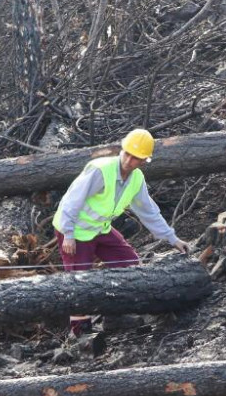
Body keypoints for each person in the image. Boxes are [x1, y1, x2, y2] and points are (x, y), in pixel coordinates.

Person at [52, 129, 193, 336]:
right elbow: (71, 202)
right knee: (79, 282)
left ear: (144, 160)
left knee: (130, 265)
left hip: (101, 229)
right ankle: (80, 335)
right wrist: (69, 234)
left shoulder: (136, 180)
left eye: (135, 158)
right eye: (126, 153)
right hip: (76, 231)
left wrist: (172, 238)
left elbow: (149, 211)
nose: (128, 160)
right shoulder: (100, 170)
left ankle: (116, 316)